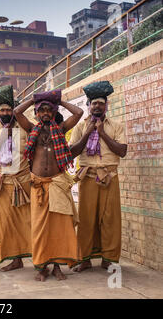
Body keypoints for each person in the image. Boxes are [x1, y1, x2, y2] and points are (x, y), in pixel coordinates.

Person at [15, 89, 83, 281]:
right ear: (37, 113)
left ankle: (57, 267)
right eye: (42, 110)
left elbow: (78, 113)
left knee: (59, 229)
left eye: (49, 110)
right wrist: (32, 99)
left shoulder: (60, 129)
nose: (46, 113)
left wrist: (59, 102)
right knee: (39, 228)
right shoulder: (31, 129)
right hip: (38, 186)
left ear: (54, 113)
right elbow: (16, 113)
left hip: (57, 184)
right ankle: (41, 267)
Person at [69, 81, 127, 272]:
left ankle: (109, 259)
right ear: (88, 106)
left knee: (110, 219)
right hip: (87, 177)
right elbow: (72, 152)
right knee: (86, 219)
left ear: (106, 106)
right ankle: (84, 259)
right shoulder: (80, 127)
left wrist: (102, 133)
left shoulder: (116, 126)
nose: (97, 106)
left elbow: (122, 151)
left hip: (110, 176)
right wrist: (87, 133)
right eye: (94, 103)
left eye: (101, 103)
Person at [0, 85, 32, 272]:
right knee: (7, 224)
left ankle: (37, 256)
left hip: (24, 181)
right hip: (2, 183)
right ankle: (15, 260)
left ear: (14, 111)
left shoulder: (25, 128)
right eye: (2, 110)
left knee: (27, 221)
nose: (5, 113)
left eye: (9, 109)